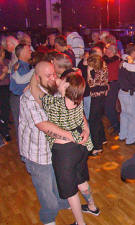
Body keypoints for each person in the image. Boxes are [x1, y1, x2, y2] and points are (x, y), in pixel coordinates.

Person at [30, 67, 99, 225]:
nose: (59, 79)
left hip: (64, 153)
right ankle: (92, 206)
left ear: (67, 87)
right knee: (81, 180)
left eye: (63, 80)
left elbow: (35, 91)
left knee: (70, 191)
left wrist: (35, 75)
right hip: (80, 149)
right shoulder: (78, 100)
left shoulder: (55, 104)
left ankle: (80, 223)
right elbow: (81, 118)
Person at [19, 61, 76, 225]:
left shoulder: (54, 91)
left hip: (54, 149)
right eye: (48, 76)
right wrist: (70, 135)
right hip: (37, 154)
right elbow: (43, 125)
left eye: (54, 74)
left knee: (57, 180)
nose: (53, 78)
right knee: (46, 192)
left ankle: (63, 203)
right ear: (37, 78)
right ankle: (48, 217)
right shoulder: (28, 98)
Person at [86, 54, 109, 155]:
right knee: (97, 119)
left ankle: (97, 147)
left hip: (97, 98)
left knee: (93, 122)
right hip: (101, 97)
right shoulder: (103, 67)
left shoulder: (96, 72)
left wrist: (88, 72)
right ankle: (102, 139)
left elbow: (91, 85)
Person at [9, 44, 32, 136]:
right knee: (21, 127)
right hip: (18, 98)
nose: (31, 51)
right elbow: (21, 81)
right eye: (28, 50)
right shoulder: (19, 67)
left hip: (21, 98)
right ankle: (22, 149)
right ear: (22, 53)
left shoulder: (26, 66)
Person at [103, 43, 121, 135]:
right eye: (107, 49)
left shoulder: (117, 61)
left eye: (110, 50)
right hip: (106, 85)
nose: (108, 51)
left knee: (109, 108)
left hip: (113, 85)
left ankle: (117, 126)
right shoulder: (105, 60)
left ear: (114, 51)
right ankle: (115, 124)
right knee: (108, 108)